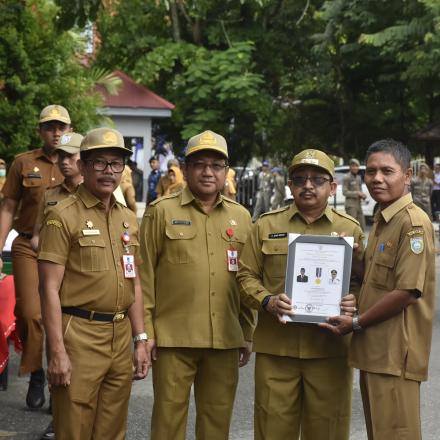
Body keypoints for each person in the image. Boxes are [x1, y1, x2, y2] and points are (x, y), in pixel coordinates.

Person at [237, 149, 364, 440]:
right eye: (300, 179)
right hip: (276, 351)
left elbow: (361, 279)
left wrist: (353, 300)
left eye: (318, 179)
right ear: (290, 185)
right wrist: (267, 301)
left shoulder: (350, 229)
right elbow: (244, 276)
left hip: (329, 351)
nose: (308, 185)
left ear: (333, 187)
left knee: (328, 431)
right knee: (272, 431)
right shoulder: (266, 225)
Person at [140, 129, 256, 440]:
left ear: (226, 171)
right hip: (172, 339)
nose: (208, 172)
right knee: (167, 422)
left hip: (224, 339)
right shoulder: (161, 211)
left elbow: (247, 279)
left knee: (217, 424)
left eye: (216, 165)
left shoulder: (242, 218)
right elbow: (144, 276)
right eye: (200, 164)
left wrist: (246, 331)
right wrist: (146, 333)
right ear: (186, 168)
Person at [37, 127, 150, 439]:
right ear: (83, 166)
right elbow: (47, 288)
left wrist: (140, 339)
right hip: (79, 336)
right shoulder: (62, 216)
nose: (108, 171)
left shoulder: (127, 218)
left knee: (113, 430)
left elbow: (135, 282)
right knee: (74, 429)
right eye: (99, 162)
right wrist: (56, 351)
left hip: (119, 336)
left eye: (115, 164)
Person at [321, 139, 435, 440]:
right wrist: (353, 259)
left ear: (407, 175)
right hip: (377, 353)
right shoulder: (385, 220)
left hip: (395, 357)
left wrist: (355, 322)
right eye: (371, 171)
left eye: (387, 171)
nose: (377, 178)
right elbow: (376, 279)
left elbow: (407, 292)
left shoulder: (412, 223)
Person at [0, 104, 71, 409]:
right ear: (40, 130)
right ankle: (37, 371)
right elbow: (7, 207)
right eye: (50, 127)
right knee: (30, 313)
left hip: (67, 250)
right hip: (29, 246)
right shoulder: (23, 162)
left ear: (70, 130)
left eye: (61, 127)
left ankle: (61, 385)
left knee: (67, 316)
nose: (56, 133)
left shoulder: (80, 162)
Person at [31, 132, 84, 252]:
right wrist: (50, 255)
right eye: (61, 156)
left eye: (70, 156)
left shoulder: (98, 192)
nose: (64, 161)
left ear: (84, 157)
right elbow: (36, 237)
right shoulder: (50, 194)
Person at [342, 158, 367, 231]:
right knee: (352, 226)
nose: (355, 168)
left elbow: (360, 190)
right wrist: (357, 193)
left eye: (356, 166)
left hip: (358, 205)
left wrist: (363, 195)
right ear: (350, 167)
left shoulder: (359, 178)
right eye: (353, 166)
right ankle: (351, 242)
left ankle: (360, 242)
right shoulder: (346, 177)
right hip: (350, 205)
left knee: (362, 226)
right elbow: (344, 192)